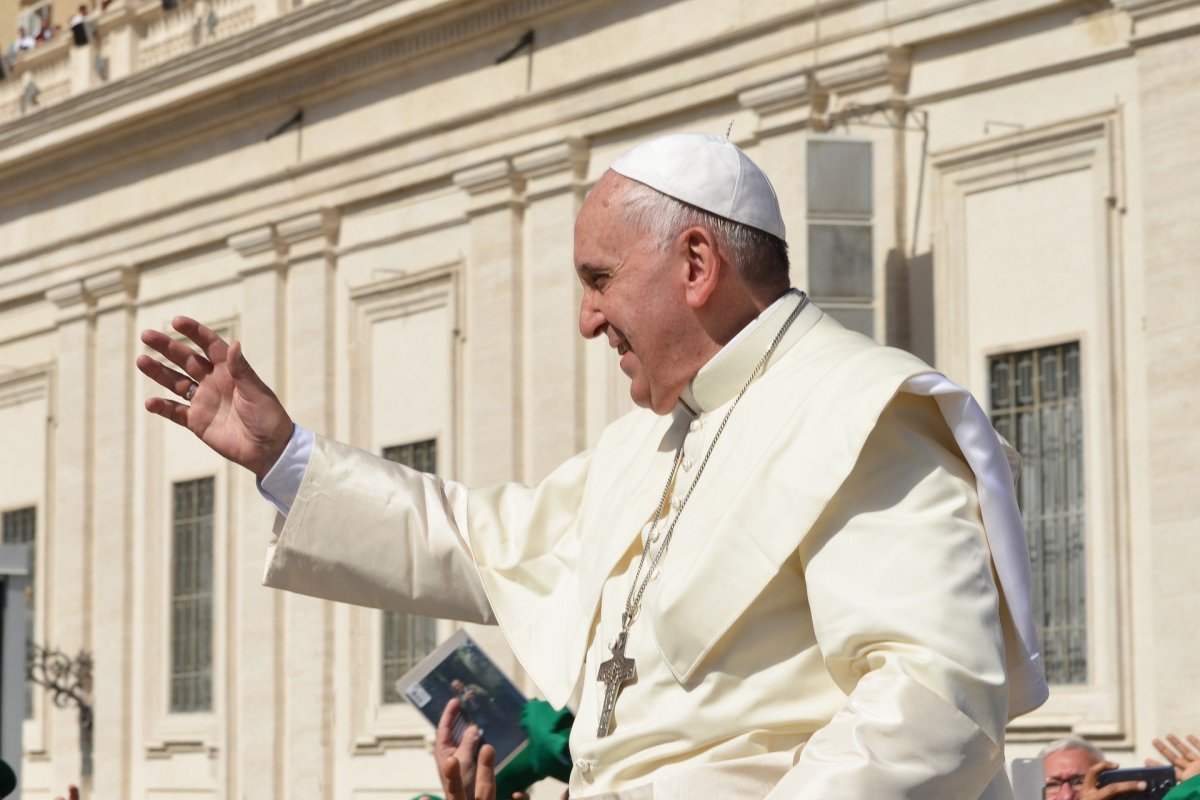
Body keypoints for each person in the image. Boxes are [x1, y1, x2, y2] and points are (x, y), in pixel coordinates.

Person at [137, 132, 1048, 799]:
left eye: (599, 279)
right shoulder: (644, 447)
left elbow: (934, 704)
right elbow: (478, 542)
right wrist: (286, 457)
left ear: (696, 265)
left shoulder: (866, 412)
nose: (585, 320)